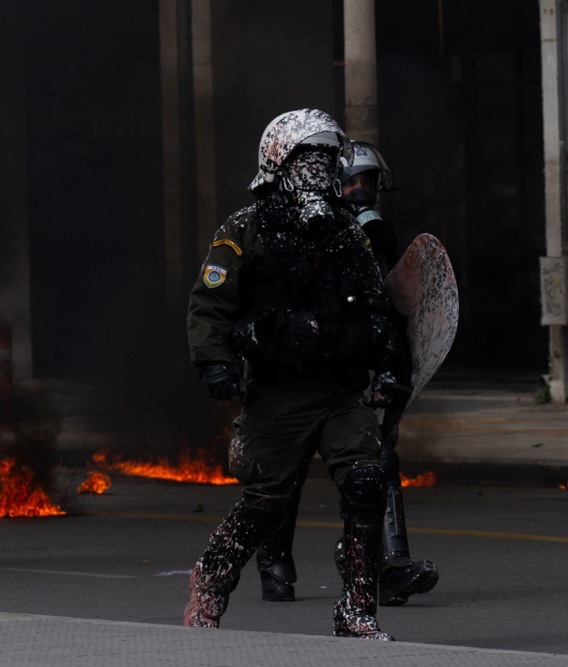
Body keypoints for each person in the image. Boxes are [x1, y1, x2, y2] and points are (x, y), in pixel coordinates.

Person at [183, 109, 398, 640]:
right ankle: (210, 582)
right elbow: (211, 304)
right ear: (279, 162)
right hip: (278, 393)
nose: (319, 171)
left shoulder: (348, 233)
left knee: (368, 484)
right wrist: (215, 364)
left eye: (327, 160)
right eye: (308, 159)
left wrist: (388, 365)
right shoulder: (245, 229)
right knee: (266, 504)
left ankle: (357, 609)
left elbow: (379, 307)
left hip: (339, 392)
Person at [253, 141, 439, 608]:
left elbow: (384, 313)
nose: (360, 192)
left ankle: (385, 567)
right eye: (351, 182)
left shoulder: (371, 242)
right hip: (298, 374)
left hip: (346, 379)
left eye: (368, 183)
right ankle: (274, 564)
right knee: (284, 472)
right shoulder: (293, 232)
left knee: (376, 466)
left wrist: (386, 371)